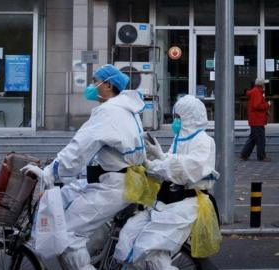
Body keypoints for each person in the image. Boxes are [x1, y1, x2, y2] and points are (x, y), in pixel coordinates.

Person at [21, 64, 146, 270]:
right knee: (69, 199)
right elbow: (94, 151)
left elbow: (79, 148)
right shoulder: (126, 110)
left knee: (68, 235)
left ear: (108, 86)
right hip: (120, 182)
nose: (92, 85)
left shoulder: (109, 112)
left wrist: (50, 172)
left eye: (96, 81)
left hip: (113, 187)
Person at [114, 95, 220, 270]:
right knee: (129, 237)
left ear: (190, 117)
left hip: (185, 203)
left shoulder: (203, 141)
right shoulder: (180, 139)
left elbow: (187, 170)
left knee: (150, 250)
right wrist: (153, 160)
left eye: (179, 117)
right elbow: (171, 164)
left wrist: (158, 160)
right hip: (166, 200)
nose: (175, 122)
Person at [240, 78, 271, 162]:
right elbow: (256, 106)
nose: (265, 85)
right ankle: (261, 156)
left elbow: (256, 105)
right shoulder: (257, 92)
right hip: (257, 120)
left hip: (255, 119)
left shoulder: (255, 91)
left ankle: (244, 154)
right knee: (261, 139)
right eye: (264, 84)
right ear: (261, 85)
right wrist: (267, 105)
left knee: (253, 138)